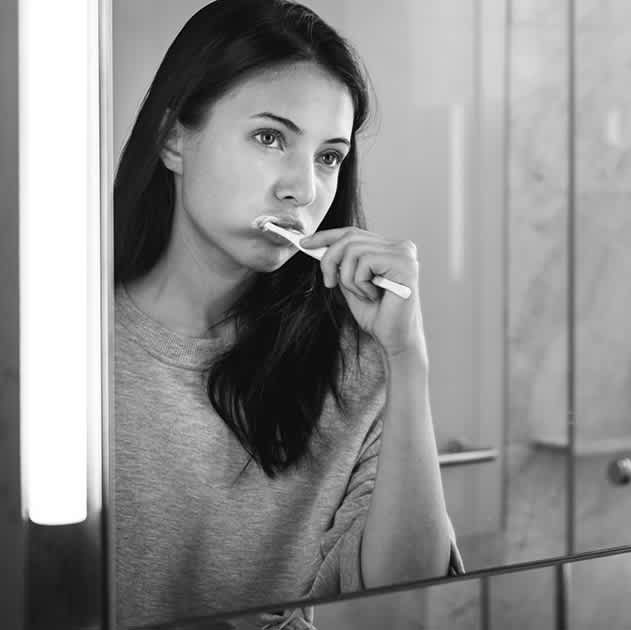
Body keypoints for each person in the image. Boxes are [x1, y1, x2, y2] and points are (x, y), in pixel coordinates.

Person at [111, 1, 461, 626]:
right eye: (270, 138)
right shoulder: (68, 341)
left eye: (329, 156)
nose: (302, 188)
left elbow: (409, 591)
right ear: (172, 139)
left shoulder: (355, 360)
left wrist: (408, 361)